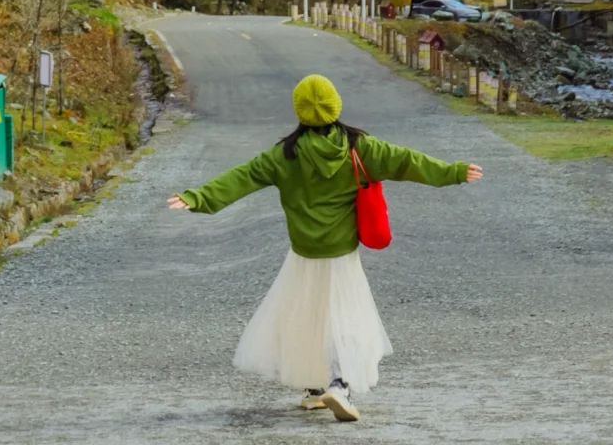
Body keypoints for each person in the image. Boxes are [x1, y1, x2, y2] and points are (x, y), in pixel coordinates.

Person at [168, 73, 482, 422]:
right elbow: (407, 161)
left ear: (300, 112)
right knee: (344, 319)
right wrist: (453, 171)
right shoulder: (359, 147)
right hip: (341, 254)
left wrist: (197, 198)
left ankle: (316, 389)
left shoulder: (283, 155)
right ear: (335, 107)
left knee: (305, 316)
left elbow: (241, 177)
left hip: (303, 253)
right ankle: (338, 385)